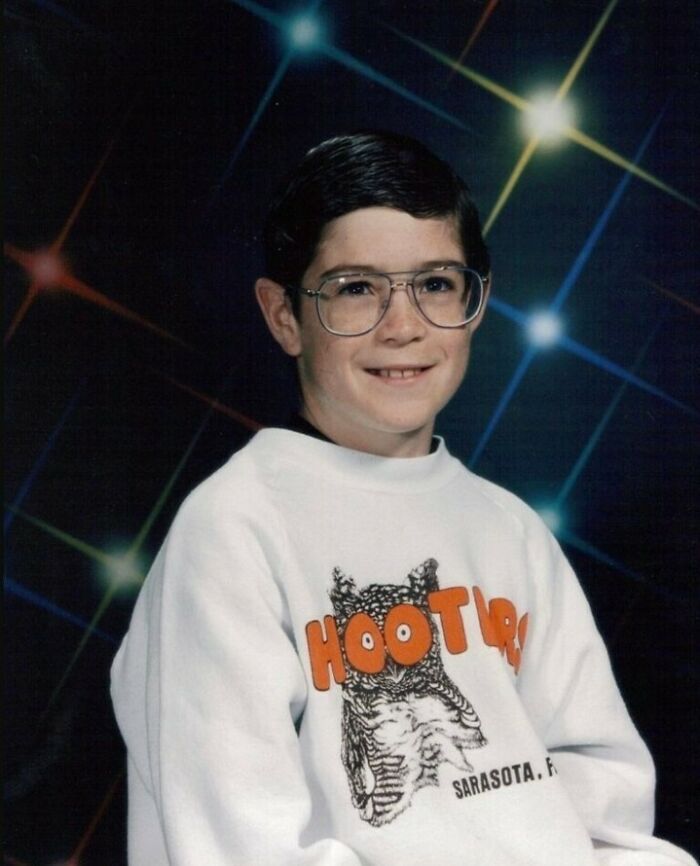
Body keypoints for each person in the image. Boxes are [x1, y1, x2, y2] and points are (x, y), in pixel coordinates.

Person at [110, 131, 696, 865]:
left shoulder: (508, 530)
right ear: (284, 315)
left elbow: (603, 812)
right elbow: (241, 844)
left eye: (436, 284)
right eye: (357, 288)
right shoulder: (234, 530)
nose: (405, 326)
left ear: (476, 302)